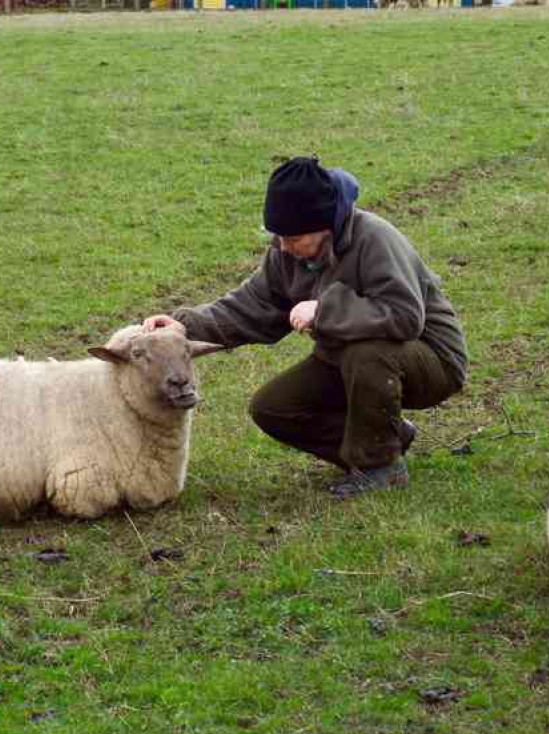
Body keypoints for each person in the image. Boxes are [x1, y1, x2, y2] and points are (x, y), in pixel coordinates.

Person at [143, 156, 467, 499]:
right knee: (274, 408)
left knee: (367, 352)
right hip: (350, 358)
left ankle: (381, 467)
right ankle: (389, 437)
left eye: (292, 237)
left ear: (324, 225)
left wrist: (325, 310)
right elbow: (253, 304)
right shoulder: (288, 251)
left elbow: (405, 316)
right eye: (277, 235)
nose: (283, 246)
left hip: (430, 359)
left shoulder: (375, 239)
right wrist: (184, 327)